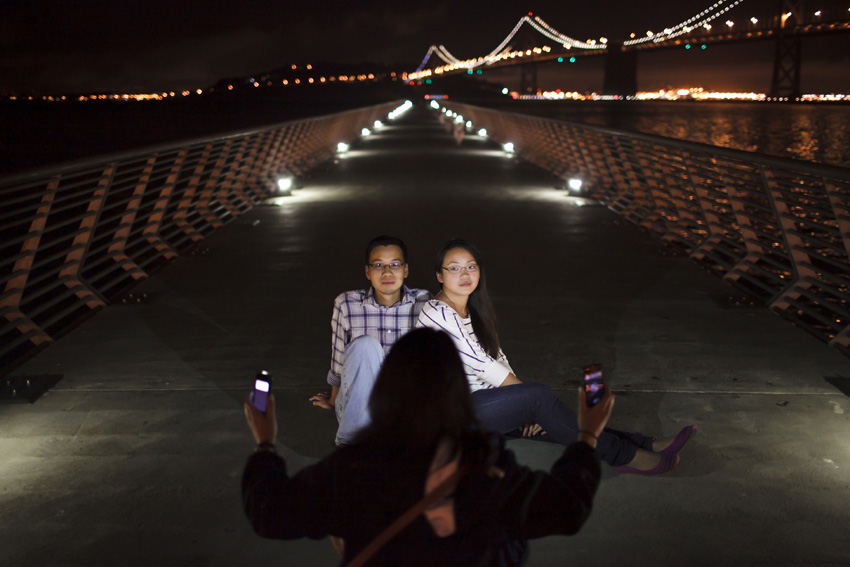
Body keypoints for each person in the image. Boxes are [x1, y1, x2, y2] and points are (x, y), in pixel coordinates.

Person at [243, 328, 611, 566]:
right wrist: (587, 437)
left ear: (387, 390)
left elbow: (270, 512)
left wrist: (264, 443)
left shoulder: (351, 470)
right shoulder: (487, 470)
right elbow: (567, 508)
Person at [417, 238, 696, 475]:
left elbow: (497, 357)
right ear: (439, 276)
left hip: (482, 405)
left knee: (558, 421)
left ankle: (644, 443)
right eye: (454, 269)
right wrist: (527, 400)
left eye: (471, 267)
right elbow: (483, 365)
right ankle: (626, 457)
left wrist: (521, 405)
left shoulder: (473, 310)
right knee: (539, 399)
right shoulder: (437, 312)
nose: (464, 274)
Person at [309, 235, 431, 445]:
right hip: (359, 403)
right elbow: (339, 361)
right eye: (378, 265)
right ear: (367, 271)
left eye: (395, 264)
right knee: (365, 345)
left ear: (406, 270)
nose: (387, 272)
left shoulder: (425, 302)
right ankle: (353, 445)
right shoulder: (346, 303)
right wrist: (334, 399)